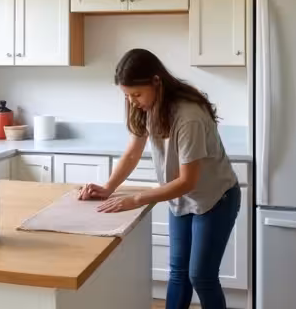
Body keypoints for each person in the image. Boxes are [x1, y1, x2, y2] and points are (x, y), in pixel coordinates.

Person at [78, 48, 240, 309]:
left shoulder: (189, 116)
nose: (132, 101)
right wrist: (108, 187)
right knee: (178, 274)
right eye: (128, 96)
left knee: (201, 276)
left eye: (136, 94)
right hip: (181, 198)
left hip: (216, 199)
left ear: (157, 82)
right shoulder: (147, 106)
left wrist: (137, 199)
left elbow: (188, 181)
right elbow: (132, 153)